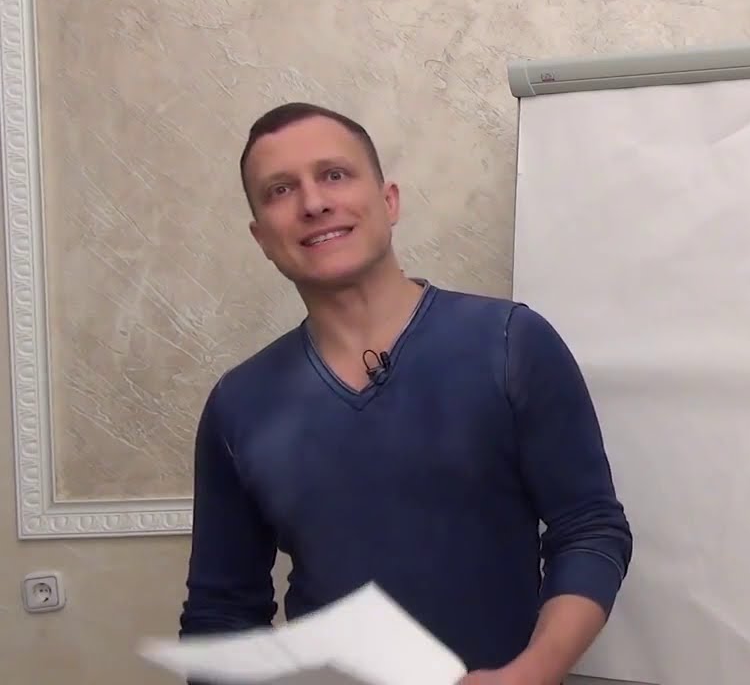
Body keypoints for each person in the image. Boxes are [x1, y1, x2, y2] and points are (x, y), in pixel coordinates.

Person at [178, 102, 633, 685]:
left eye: (334, 174)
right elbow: (221, 614)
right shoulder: (238, 406)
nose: (313, 202)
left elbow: (590, 530)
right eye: (280, 190)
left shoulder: (510, 343)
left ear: (389, 201)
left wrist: (533, 672)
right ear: (262, 237)